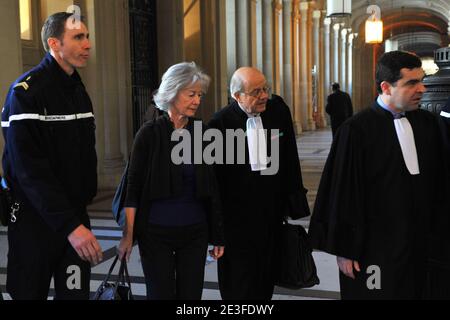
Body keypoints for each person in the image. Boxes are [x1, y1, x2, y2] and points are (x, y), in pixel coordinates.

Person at [308, 51, 444, 299]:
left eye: (422, 80)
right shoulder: (356, 130)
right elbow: (342, 192)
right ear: (386, 87)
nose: (422, 89)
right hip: (374, 248)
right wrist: (345, 249)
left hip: (419, 244)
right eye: (411, 83)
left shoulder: (428, 124)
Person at [1, 12, 102, 300]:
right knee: (29, 293)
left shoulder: (78, 90)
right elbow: (29, 171)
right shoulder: (26, 92)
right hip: (36, 223)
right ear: (54, 43)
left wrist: (77, 220)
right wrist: (71, 226)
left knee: (74, 294)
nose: (87, 44)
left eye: (87, 36)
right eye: (78, 37)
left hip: (75, 221)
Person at [117, 62, 225, 300]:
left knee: (191, 297)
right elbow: (133, 190)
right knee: (159, 295)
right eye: (191, 94)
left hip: (195, 233)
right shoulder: (148, 134)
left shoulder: (203, 133)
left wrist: (218, 235)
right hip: (156, 233)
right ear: (173, 92)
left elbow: (212, 188)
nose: (197, 100)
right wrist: (128, 236)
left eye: (199, 95)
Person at [208, 67, 310, 300]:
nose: (264, 95)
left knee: (266, 277)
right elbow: (215, 183)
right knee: (238, 281)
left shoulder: (278, 111)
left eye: (266, 89)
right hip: (236, 222)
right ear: (237, 96)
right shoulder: (219, 123)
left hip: (271, 214)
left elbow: (289, 157)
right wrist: (216, 228)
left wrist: (293, 201)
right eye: (256, 92)